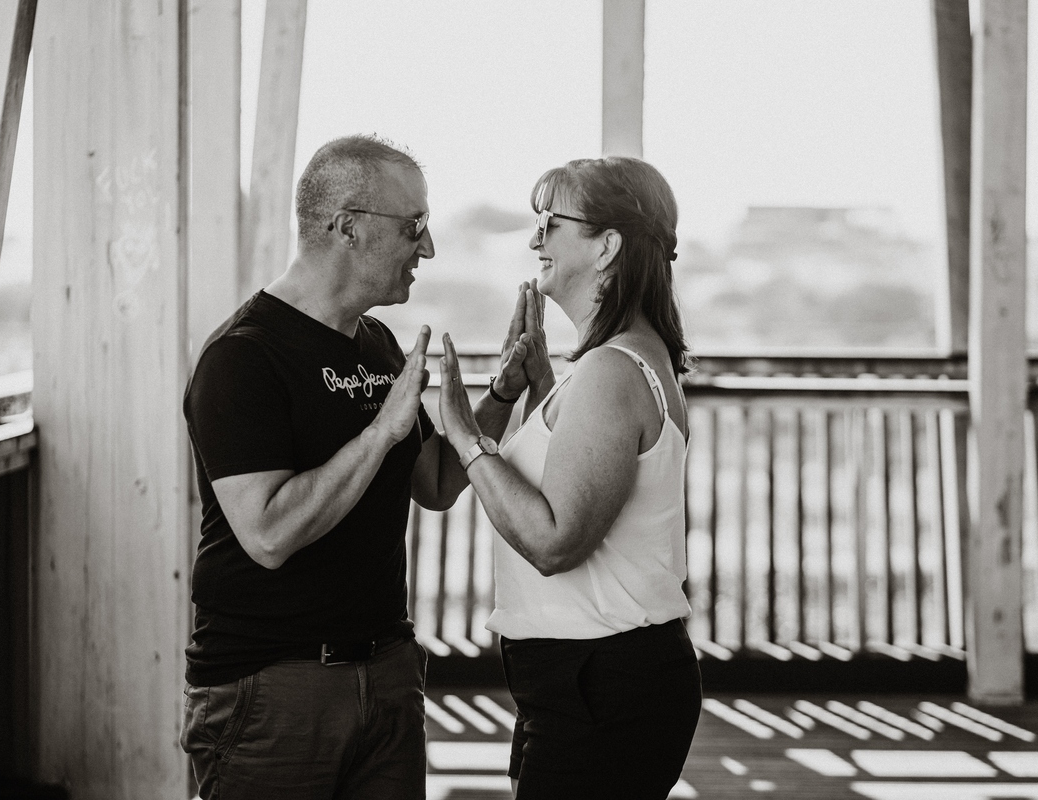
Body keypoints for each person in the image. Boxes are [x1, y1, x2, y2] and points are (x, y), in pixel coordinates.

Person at [179, 135, 538, 800]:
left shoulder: (374, 341)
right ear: (347, 226)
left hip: (386, 671)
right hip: (272, 685)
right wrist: (380, 433)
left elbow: (432, 482)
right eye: (414, 227)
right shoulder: (243, 358)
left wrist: (502, 396)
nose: (426, 249)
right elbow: (267, 536)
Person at [438, 156, 702, 800]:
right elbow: (577, 475)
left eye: (552, 223)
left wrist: (462, 431)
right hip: (581, 683)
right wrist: (532, 389)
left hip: (603, 686)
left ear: (607, 245)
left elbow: (557, 542)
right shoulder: (610, 365)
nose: (535, 240)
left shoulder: (613, 371)